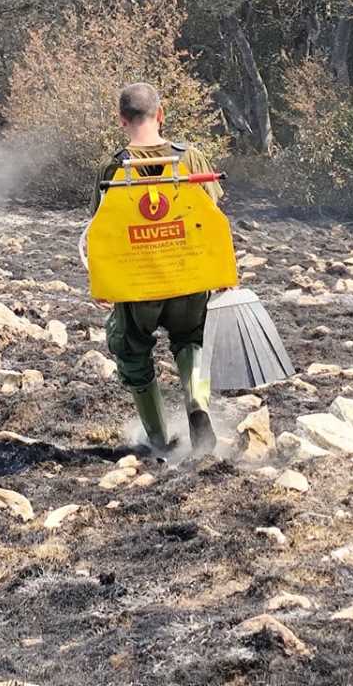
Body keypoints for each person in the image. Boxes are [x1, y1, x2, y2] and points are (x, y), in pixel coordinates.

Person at [96, 81, 221, 459]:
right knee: (191, 339)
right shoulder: (191, 157)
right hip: (189, 277)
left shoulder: (115, 167)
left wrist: (106, 285)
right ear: (161, 114)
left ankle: (157, 440)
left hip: (139, 284)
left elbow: (103, 231)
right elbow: (212, 216)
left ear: (121, 120)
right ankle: (197, 402)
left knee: (132, 351)